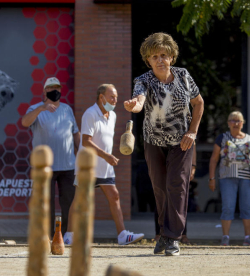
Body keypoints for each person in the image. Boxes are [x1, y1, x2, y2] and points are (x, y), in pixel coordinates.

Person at [124, 33, 204, 256]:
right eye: (154, 56)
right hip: (153, 142)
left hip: (182, 142)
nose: (160, 60)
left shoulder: (184, 76)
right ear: (148, 60)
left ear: (171, 57)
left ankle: (174, 238)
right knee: (160, 188)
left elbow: (199, 103)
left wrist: (193, 132)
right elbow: (139, 101)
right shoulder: (143, 80)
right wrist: (134, 105)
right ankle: (163, 234)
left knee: (177, 186)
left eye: (164, 55)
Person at [63, 84, 144, 246]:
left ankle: (122, 235)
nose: (115, 100)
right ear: (101, 97)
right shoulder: (90, 114)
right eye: (112, 97)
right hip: (88, 165)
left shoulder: (112, 116)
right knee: (79, 200)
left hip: (105, 167)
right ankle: (69, 236)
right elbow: (86, 141)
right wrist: (107, 156)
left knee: (114, 196)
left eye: (116, 97)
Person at [22, 77, 79, 238]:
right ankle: (47, 236)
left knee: (69, 202)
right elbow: (25, 122)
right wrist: (41, 108)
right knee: (46, 204)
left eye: (58, 88)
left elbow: (75, 133)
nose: (56, 91)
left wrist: (81, 151)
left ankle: (67, 234)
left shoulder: (67, 109)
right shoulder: (35, 109)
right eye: (51, 88)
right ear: (44, 91)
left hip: (68, 165)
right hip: (45, 167)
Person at [209, 111, 250, 246]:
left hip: (246, 178)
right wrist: (211, 178)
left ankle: (247, 237)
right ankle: (225, 237)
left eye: (238, 121)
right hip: (227, 177)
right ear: (228, 123)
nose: (235, 123)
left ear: (243, 123)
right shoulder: (222, 138)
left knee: (247, 207)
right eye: (232, 120)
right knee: (228, 207)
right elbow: (214, 159)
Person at [154, 142, 197, 244]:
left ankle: (183, 234)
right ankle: (159, 234)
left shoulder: (186, 127)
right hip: (162, 160)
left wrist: (193, 166)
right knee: (161, 197)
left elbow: (192, 144)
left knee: (179, 199)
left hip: (180, 160)